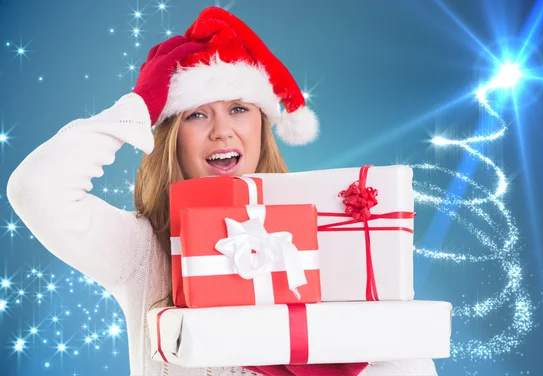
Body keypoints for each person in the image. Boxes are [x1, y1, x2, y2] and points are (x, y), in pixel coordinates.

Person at [6, 6, 439, 376]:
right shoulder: (142, 250)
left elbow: (403, 351)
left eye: (238, 109)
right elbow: (37, 189)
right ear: (171, 134)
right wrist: (138, 106)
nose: (222, 131)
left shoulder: (329, 242)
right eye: (196, 115)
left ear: (262, 125)